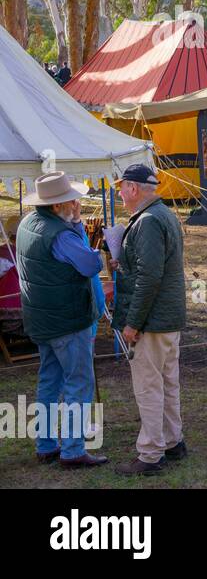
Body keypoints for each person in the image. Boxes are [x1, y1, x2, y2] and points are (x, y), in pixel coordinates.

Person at [15, 172, 107, 469]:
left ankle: (45, 444)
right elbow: (89, 264)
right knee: (79, 382)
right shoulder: (60, 234)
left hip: (41, 319)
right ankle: (72, 449)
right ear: (57, 205)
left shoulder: (28, 224)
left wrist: (75, 223)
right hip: (67, 320)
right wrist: (80, 230)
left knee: (49, 383)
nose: (75, 202)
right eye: (70, 199)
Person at [111, 164, 187, 476]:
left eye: (122, 187)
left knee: (149, 386)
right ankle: (172, 441)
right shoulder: (161, 214)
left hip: (153, 321)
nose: (119, 194)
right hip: (166, 318)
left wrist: (133, 323)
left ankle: (151, 453)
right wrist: (124, 261)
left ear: (133, 188)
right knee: (167, 382)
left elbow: (150, 277)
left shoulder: (149, 221)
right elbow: (151, 267)